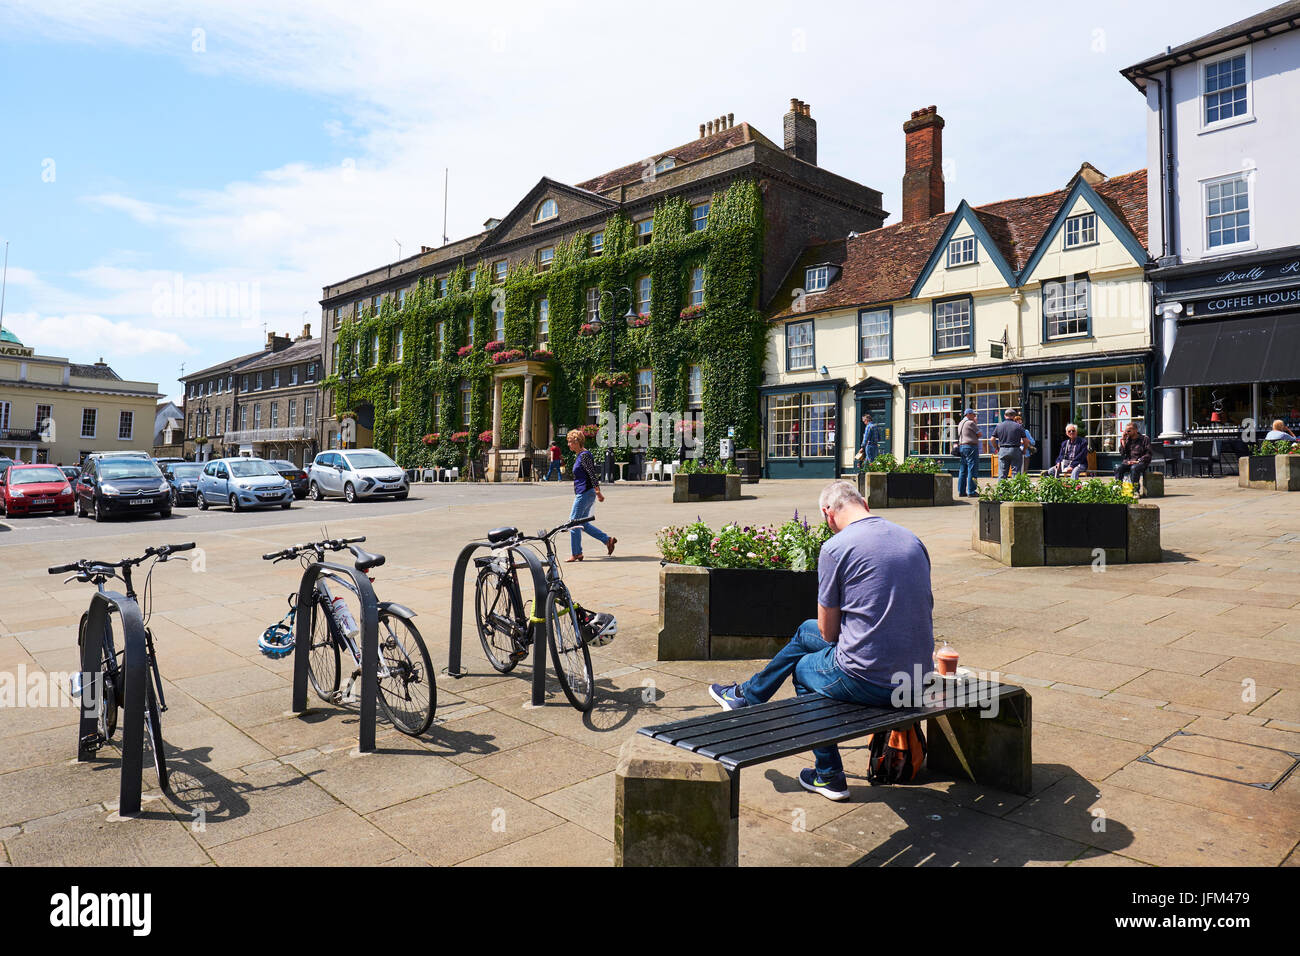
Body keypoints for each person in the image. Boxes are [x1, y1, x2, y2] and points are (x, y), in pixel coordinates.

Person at [708, 480, 934, 802]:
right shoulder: (912, 540)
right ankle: (747, 694)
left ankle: (828, 775)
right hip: (917, 679)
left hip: (874, 682)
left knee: (802, 670)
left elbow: (829, 635)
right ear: (865, 504)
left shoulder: (836, 548)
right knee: (804, 630)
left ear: (828, 514)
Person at [565, 428, 616, 562]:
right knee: (583, 524)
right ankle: (607, 540)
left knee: (573, 522)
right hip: (585, 492)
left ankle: (576, 553)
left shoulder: (585, 455)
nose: (568, 444)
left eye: (570, 442)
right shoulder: (580, 455)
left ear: (577, 442)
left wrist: (598, 491)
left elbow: (592, 474)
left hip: (585, 493)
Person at [1114, 423, 1152, 495]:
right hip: (1128, 462)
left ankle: (1135, 491)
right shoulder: (1127, 439)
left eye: (1129, 431)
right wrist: (1123, 441)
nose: (1127, 433)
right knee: (1118, 467)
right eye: (1126, 431)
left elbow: (1148, 454)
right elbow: (1122, 453)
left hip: (1141, 462)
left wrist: (1138, 461)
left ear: (1135, 430)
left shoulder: (1144, 439)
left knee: (1134, 468)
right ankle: (1118, 489)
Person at [991, 408, 1030, 478]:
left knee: (1002, 474)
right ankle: (1016, 488)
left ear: (1005, 416)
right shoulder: (1018, 426)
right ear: (1014, 416)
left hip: (1003, 449)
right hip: (1015, 449)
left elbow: (992, 439)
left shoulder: (999, 426)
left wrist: (997, 448)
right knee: (1016, 474)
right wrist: (1024, 450)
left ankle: (1002, 488)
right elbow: (1026, 441)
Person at [955, 408, 981, 497]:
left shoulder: (960, 423)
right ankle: (971, 491)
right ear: (968, 414)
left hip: (962, 446)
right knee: (972, 469)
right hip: (971, 446)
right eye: (973, 415)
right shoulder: (971, 423)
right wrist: (975, 423)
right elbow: (979, 434)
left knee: (963, 470)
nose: (975, 416)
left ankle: (961, 491)